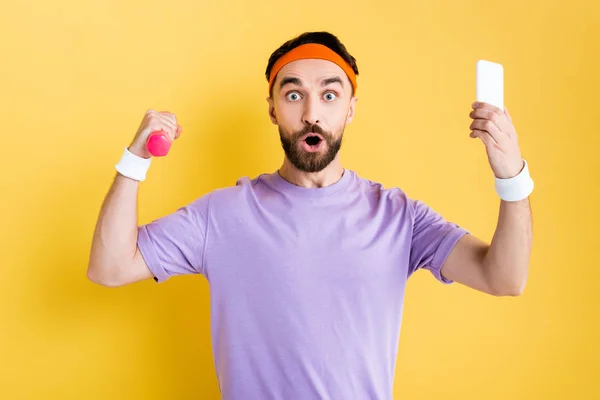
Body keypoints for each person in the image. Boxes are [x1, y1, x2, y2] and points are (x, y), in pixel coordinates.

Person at [87, 31, 534, 399]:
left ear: (350, 109)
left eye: (330, 94)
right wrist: (135, 160)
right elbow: (109, 267)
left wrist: (511, 172)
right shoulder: (220, 216)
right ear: (272, 108)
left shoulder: (399, 217)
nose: (311, 114)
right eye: (294, 93)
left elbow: (504, 278)